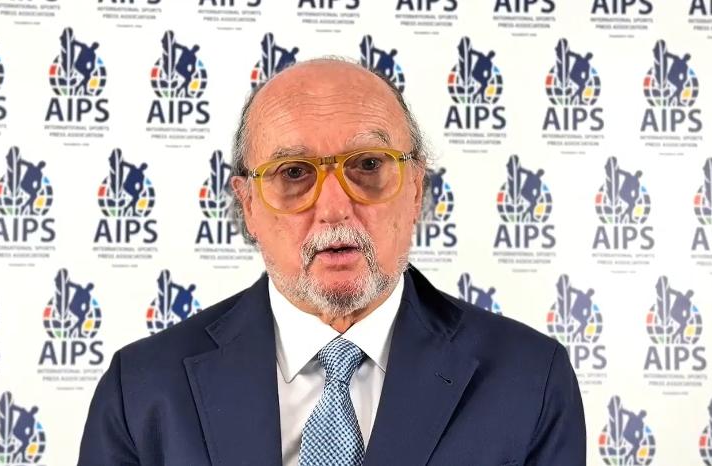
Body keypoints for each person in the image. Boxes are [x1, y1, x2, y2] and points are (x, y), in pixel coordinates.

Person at [79, 58, 585, 465]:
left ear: (416, 190)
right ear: (248, 205)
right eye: (293, 172)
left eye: (368, 165)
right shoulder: (143, 391)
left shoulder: (529, 379)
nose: (335, 207)